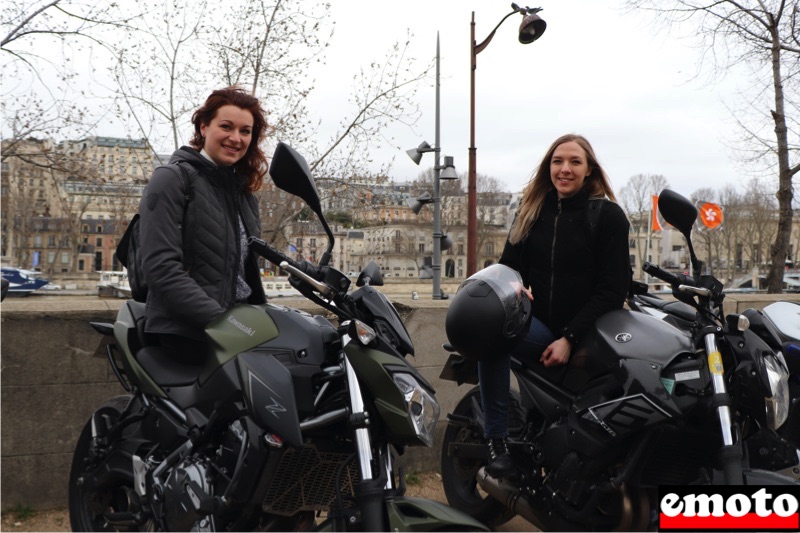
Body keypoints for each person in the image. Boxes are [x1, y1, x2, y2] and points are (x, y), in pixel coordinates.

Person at [479, 133, 631, 479]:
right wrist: (517, 287)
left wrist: (569, 338)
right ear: (548, 167)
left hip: (592, 333)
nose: (565, 169)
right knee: (491, 332)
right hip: (542, 326)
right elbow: (508, 267)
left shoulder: (608, 217)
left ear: (589, 170)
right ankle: (497, 440)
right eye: (557, 162)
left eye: (574, 162)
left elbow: (612, 290)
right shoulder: (531, 212)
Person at [138, 86, 269, 363]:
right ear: (204, 126)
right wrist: (222, 321)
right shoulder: (172, 178)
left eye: (245, 131)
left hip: (237, 329)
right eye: (226, 126)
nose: (236, 138)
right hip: (187, 333)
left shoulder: (243, 193)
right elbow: (160, 267)